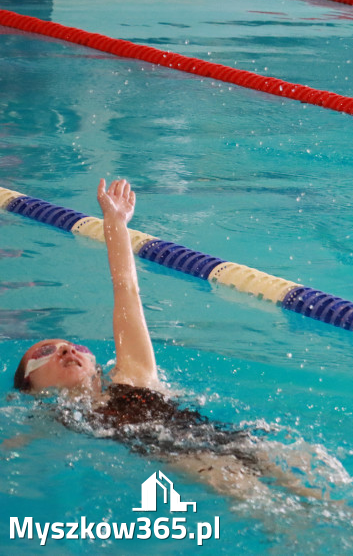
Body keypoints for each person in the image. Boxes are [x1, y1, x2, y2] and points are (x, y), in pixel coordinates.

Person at [10, 179, 327, 502]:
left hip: (233, 441)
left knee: (326, 498)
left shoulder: (132, 376)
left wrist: (116, 222)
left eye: (77, 347)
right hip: (196, 463)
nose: (66, 348)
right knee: (273, 514)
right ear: (30, 385)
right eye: (46, 351)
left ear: (94, 364)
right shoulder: (52, 420)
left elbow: (126, 291)